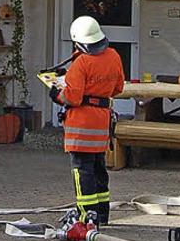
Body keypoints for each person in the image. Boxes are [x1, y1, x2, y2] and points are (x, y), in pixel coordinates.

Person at [48, 15, 125, 225]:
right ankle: (102, 215)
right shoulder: (114, 56)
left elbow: (71, 97)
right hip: (101, 123)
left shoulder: (81, 62)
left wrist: (56, 94)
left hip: (81, 126)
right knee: (99, 168)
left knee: (83, 171)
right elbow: (118, 88)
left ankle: (86, 216)